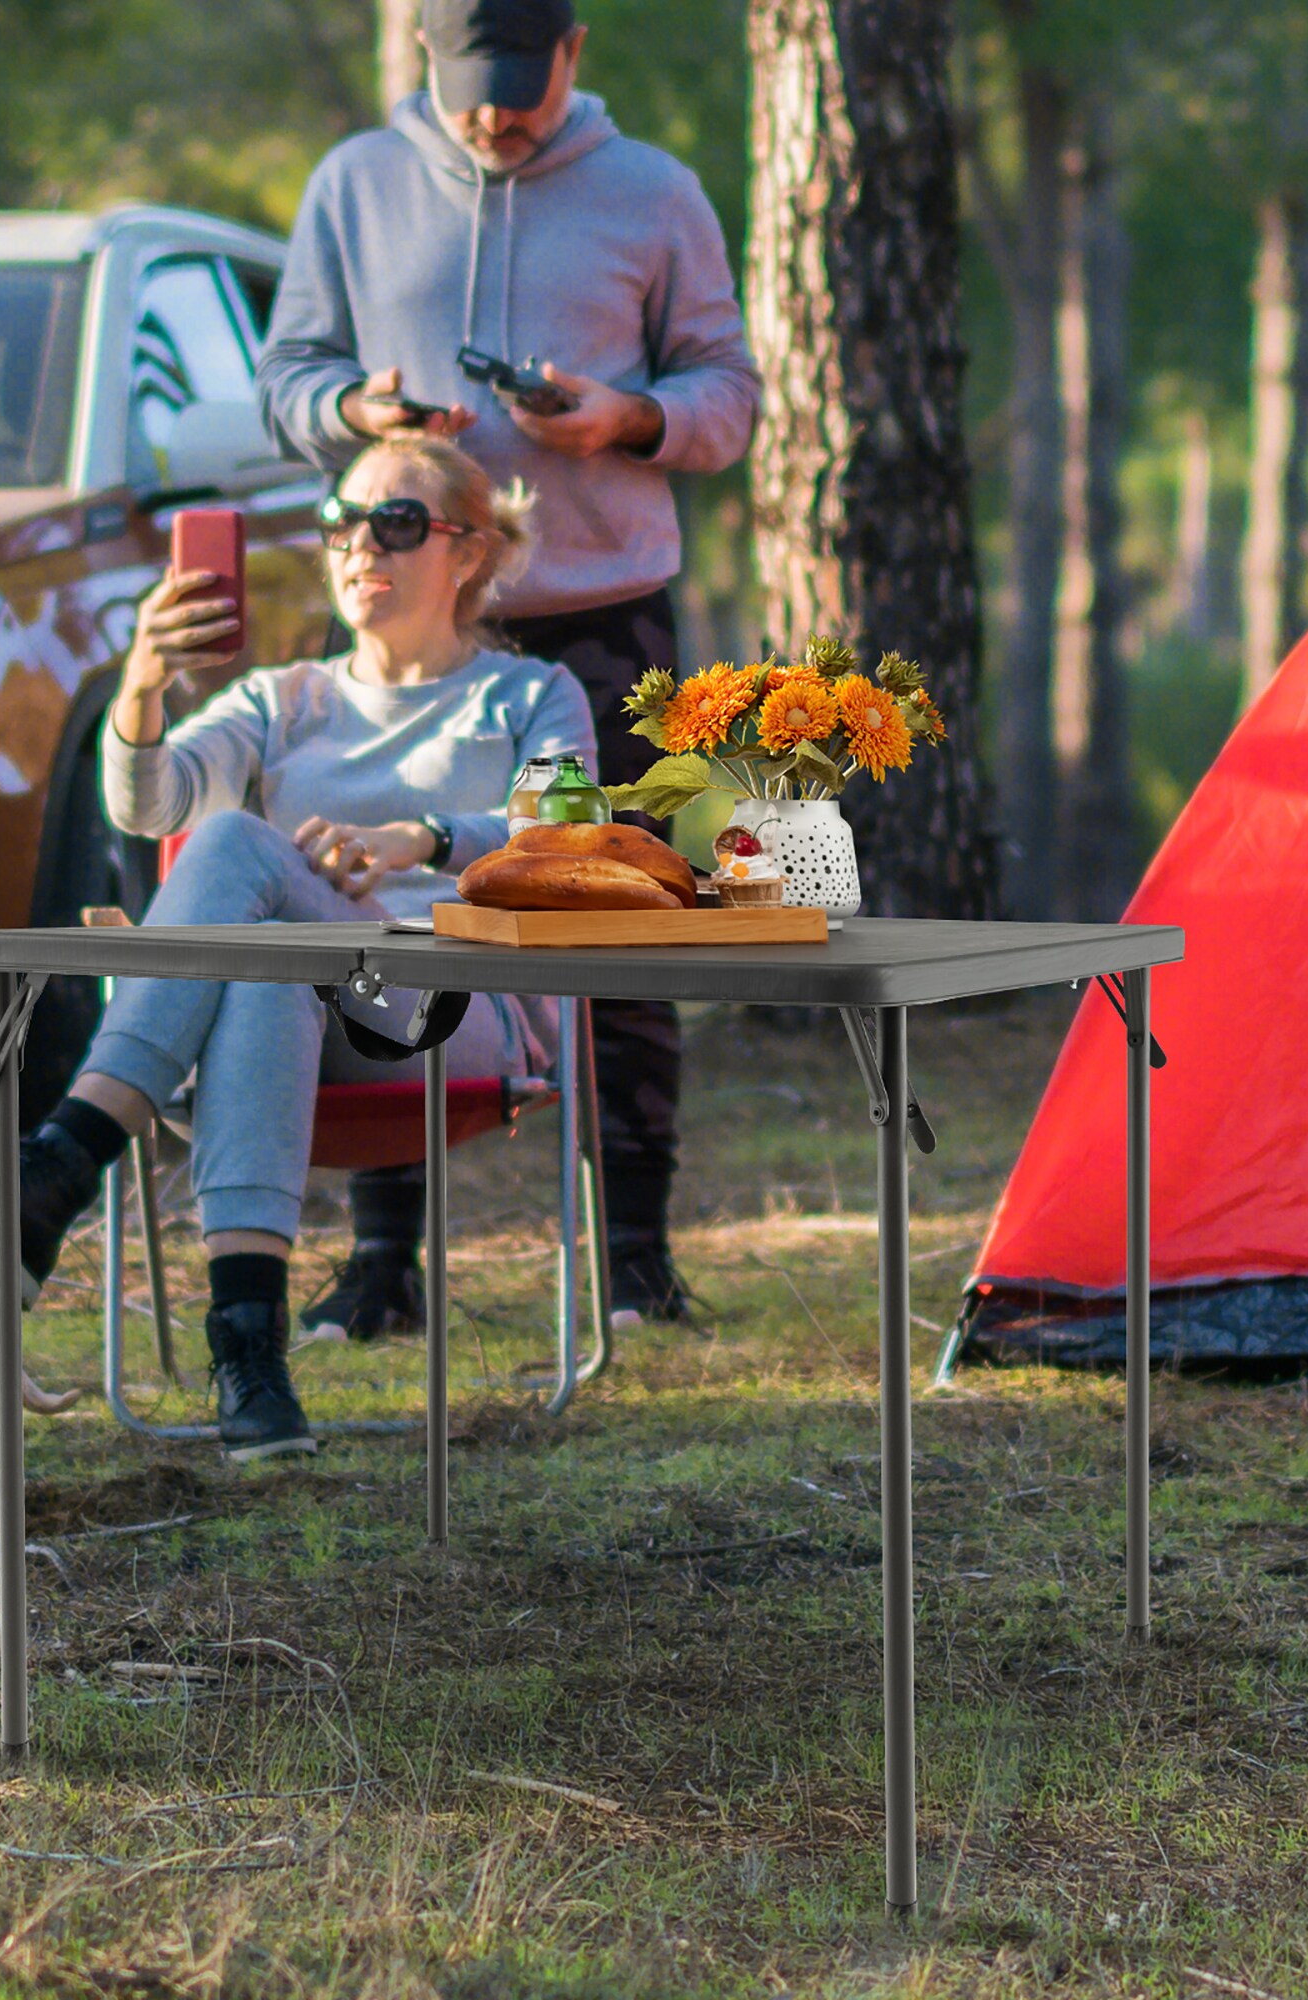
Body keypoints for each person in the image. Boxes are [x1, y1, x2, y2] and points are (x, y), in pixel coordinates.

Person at [255, 0, 760, 1340]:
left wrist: (628, 416)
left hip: (604, 625)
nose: (499, 115)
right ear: (425, 56)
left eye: (525, 90)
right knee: (387, 917)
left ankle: (637, 1257)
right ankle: (381, 1267)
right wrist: (357, 415)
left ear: (575, 57)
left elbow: (731, 397)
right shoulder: (353, 184)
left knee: (630, 925)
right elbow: (288, 378)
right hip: (411, 625)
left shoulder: (657, 194)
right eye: (478, 88)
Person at [0, 439, 594, 1460]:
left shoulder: (528, 694)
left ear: (467, 552)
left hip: (455, 1007)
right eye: (339, 520)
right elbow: (145, 800)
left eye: (396, 522)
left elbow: (565, 844)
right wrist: (143, 687)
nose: (358, 542)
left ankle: (60, 1161)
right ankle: (250, 1359)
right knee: (260, 969)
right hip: (307, 1013)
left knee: (239, 845)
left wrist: (420, 838)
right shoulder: (279, 700)